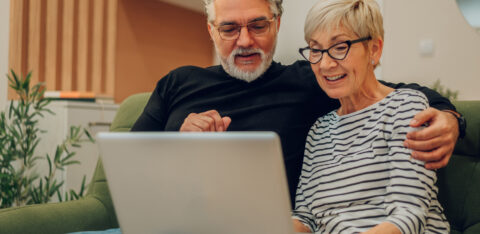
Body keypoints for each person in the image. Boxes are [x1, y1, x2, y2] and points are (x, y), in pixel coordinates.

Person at [131, 0, 464, 206]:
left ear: (276, 24)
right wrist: (175, 145)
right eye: (230, 28)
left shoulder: (314, 79)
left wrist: (450, 118)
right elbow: (130, 169)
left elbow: (393, 92)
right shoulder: (177, 83)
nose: (245, 41)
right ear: (211, 30)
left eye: (258, 25)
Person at [291, 0, 449, 233]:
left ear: (374, 49)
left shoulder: (405, 107)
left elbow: (408, 216)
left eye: (339, 47)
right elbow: (306, 218)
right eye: (315, 49)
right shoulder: (319, 130)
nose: (325, 64)